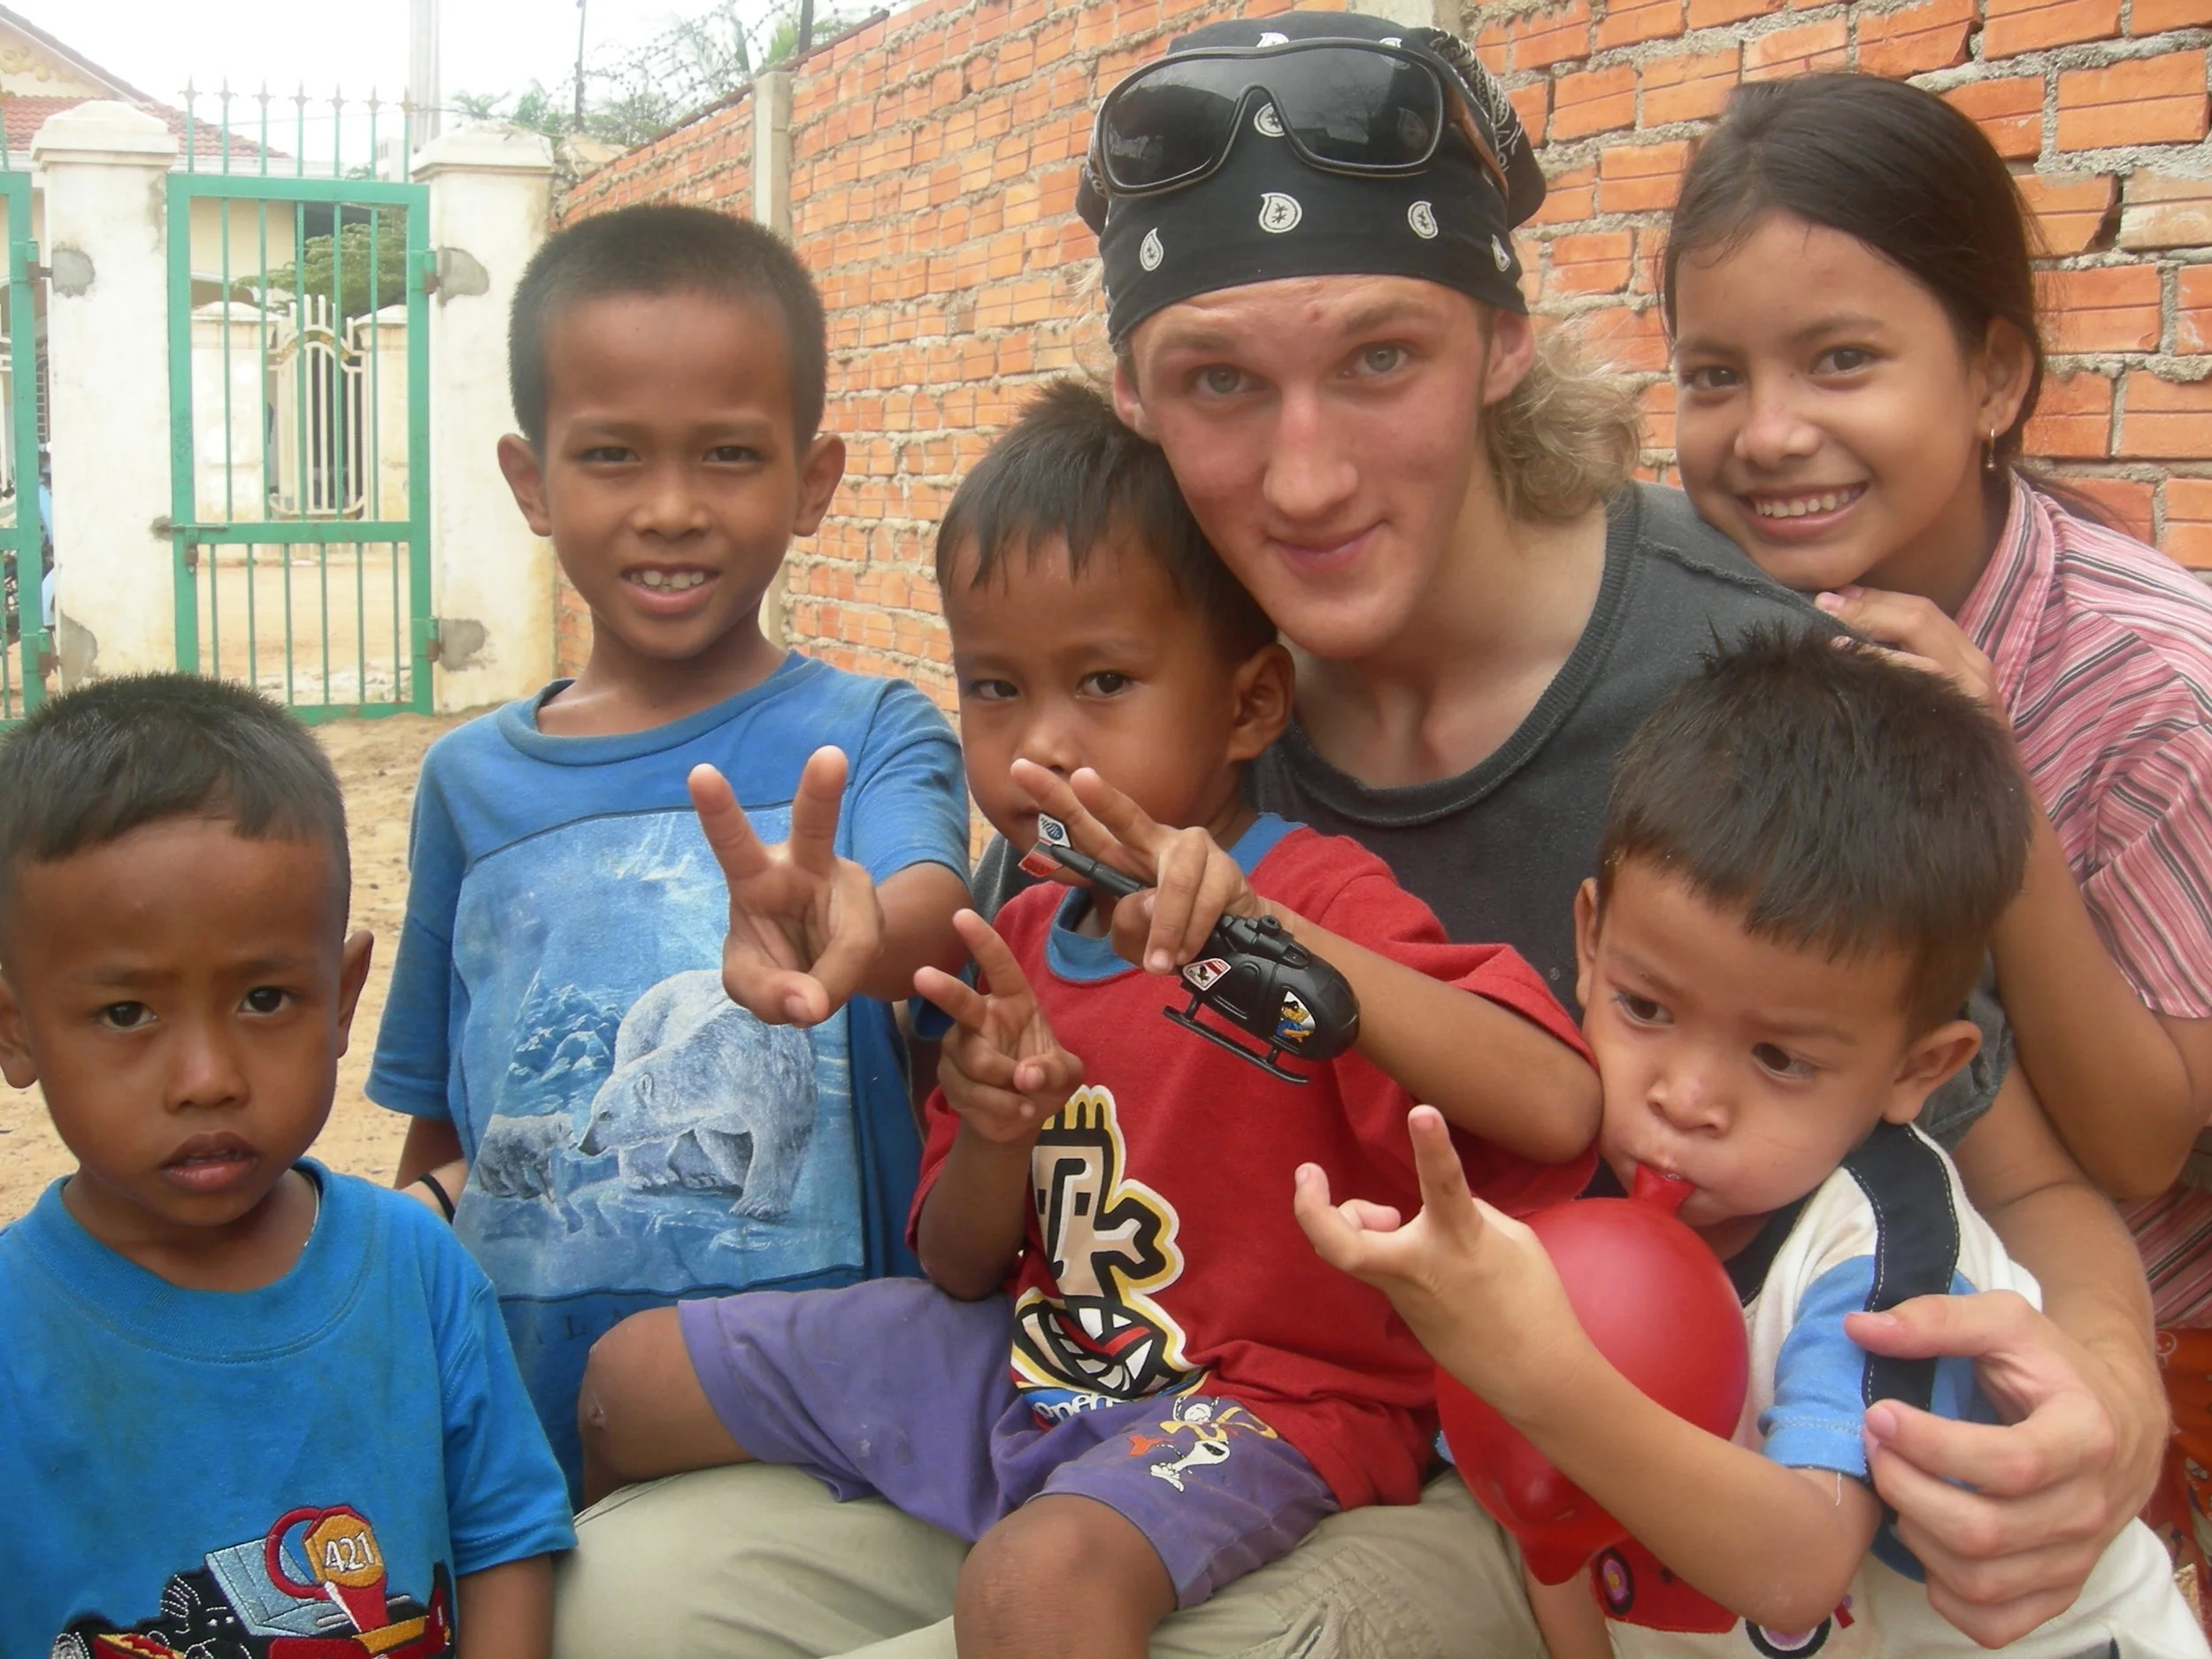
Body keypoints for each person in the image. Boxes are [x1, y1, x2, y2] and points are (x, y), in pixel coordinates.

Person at [553, 19, 2166, 1656]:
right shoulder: (1144, 676)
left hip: (1522, 1480)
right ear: (1137, 395)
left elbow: (2023, 1178)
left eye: (1381, 358)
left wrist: (2111, 1406)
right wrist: (892, 937)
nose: (1305, 475)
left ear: (1502, 344)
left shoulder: (1748, 690)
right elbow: (1037, 1109)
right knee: (629, 1597)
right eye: (1220, 384)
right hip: (1122, 1390)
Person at [565, 379, 1600, 1657]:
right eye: (994, 687)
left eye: (1104, 680)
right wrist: (997, 1126)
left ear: (1250, 705)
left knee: (1038, 1584)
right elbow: (955, 1263)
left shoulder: (1311, 893)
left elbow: (1559, 1102)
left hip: (1273, 1398)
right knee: (625, 1381)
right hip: (1042, 1361)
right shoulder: (1022, 934)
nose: (1039, 745)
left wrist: (1259, 940)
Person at [1301, 629, 2208, 1658]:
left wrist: (1537, 1373)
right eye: (1646, 1007)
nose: (1685, 1099)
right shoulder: (1552, 1188)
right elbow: (1543, 1523)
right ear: (1590, 944)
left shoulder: (1881, 1248)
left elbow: (1799, 1565)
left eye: (1779, 1060)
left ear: (1918, 1068)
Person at [1661, 72, 2212, 1597]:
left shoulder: (2157, 689)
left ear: (1992, 379)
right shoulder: (1714, 617)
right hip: (1804, 1336)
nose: (1768, 436)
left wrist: (1994, 780)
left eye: (1841, 361)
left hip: (2074, 1401)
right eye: (1713, 375)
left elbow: (2142, 1139)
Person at [367, 204, 972, 1499]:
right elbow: (440, 1124)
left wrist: (851, 927)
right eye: (613, 455)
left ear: (814, 482)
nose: (673, 508)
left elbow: (927, 911)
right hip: (531, 1449)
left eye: (730, 455)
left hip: (813, 1446)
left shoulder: (868, 736)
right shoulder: (470, 785)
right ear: (532, 482)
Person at [0, 674, 573, 1657]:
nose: (208, 1079)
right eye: (127, 1013)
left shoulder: (416, 1269)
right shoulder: (15, 1330)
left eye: (264, 999)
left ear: (343, 998)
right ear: (16, 1030)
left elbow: (506, 1540)